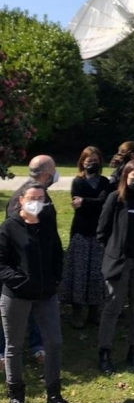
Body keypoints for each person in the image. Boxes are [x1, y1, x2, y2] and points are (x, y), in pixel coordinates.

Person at [0, 182, 74, 403]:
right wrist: (22, 283)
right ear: (21, 200)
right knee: (14, 346)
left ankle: (54, 396)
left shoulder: (47, 224)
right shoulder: (9, 227)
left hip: (46, 296)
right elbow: (1, 264)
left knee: (54, 342)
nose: (36, 202)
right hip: (17, 296)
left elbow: (56, 254)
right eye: (32, 197)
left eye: (41, 198)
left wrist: (55, 279)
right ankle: (16, 398)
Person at [96, 160, 134, 373]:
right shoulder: (115, 199)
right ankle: (104, 352)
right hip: (119, 262)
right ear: (125, 177)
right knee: (113, 307)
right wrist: (114, 251)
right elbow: (102, 231)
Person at [2, 155, 60, 369]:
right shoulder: (23, 198)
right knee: (13, 324)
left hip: (42, 277)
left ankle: (38, 347)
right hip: (21, 278)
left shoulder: (40, 195)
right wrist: (20, 278)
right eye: (54, 170)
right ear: (47, 173)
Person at [62, 147, 110, 329]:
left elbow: (104, 204)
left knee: (97, 273)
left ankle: (94, 312)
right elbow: (78, 205)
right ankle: (77, 312)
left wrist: (86, 202)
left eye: (95, 159)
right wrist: (91, 203)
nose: (91, 163)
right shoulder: (78, 182)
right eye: (88, 160)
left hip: (99, 233)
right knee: (79, 273)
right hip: (81, 233)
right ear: (82, 162)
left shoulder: (105, 182)